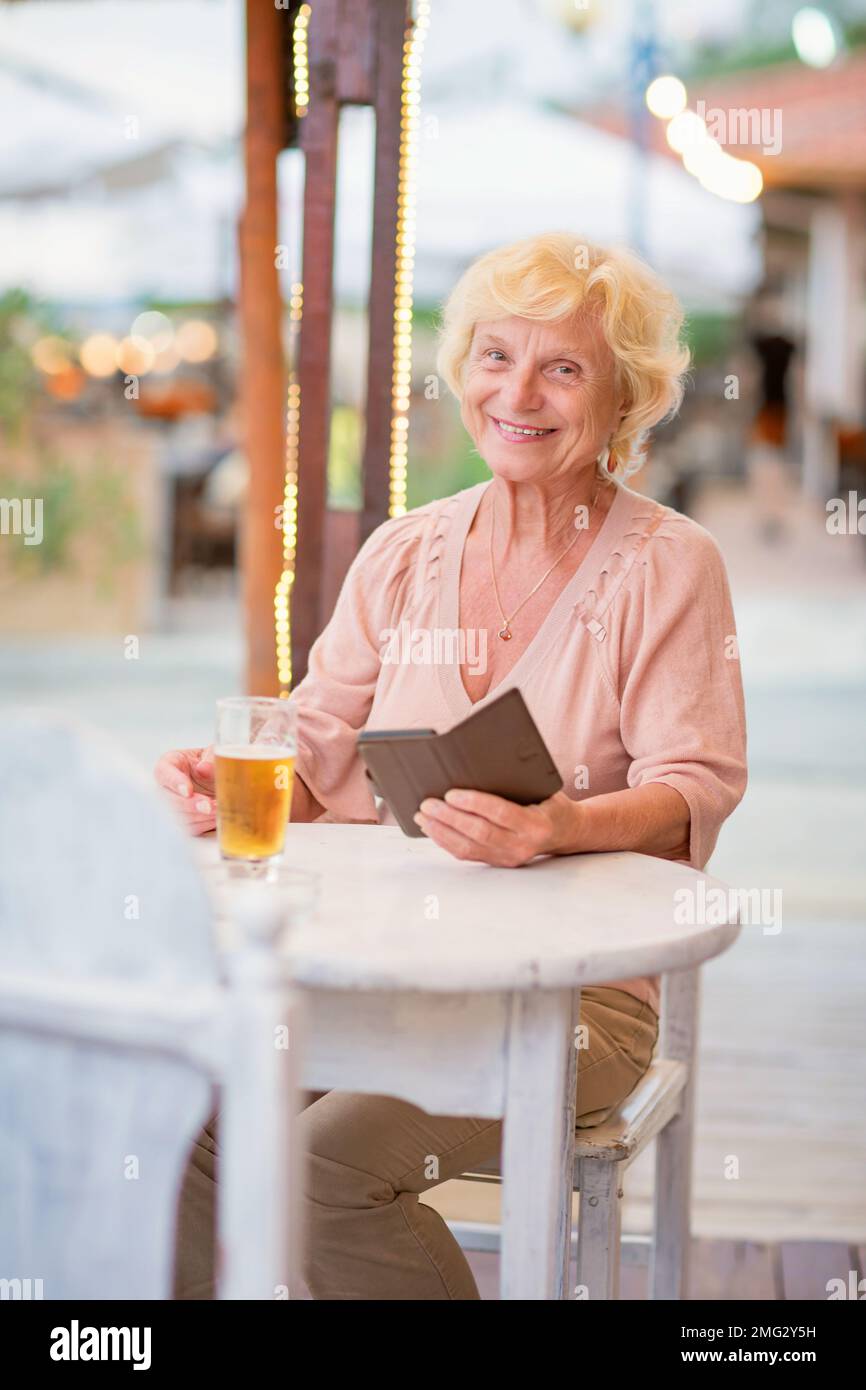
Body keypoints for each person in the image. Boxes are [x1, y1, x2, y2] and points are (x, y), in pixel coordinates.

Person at [158, 231, 748, 1299]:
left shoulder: (668, 565)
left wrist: (559, 825)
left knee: (319, 1171)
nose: (516, 392)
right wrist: (227, 784)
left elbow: (691, 789)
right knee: (186, 1126)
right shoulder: (403, 551)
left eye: (561, 366)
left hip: (573, 998)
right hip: (388, 970)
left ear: (622, 396)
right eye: (493, 356)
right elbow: (314, 742)